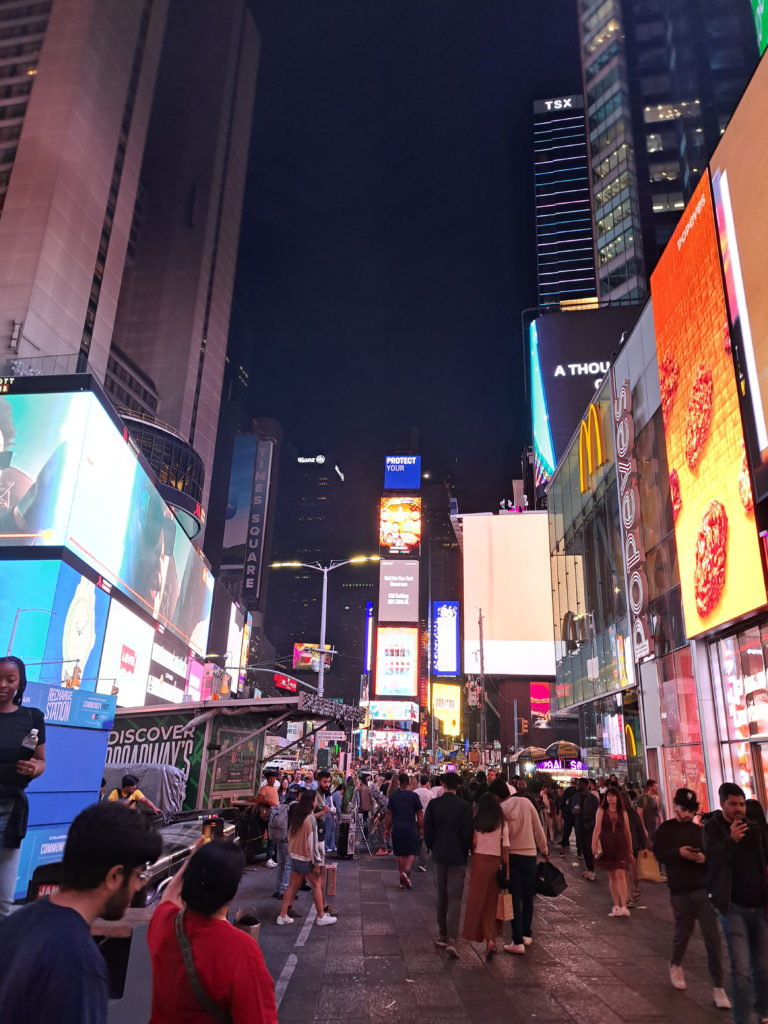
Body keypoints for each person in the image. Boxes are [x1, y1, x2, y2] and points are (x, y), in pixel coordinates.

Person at [0, 801, 162, 1023]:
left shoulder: (14, 924)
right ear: (114, 877)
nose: (137, 887)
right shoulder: (80, 965)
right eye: (138, 876)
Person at [148, 839, 277, 1023]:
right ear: (232, 890)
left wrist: (191, 863)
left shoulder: (165, 922)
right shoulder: (240, 949)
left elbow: (169, 897)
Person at [652, 787, 730, 1010]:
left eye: (690, 811)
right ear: (675, 806)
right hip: (679, 890)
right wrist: (679, 853)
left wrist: (702, 858)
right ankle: (676, 964)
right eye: (683, 809)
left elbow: (712, 858)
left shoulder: (700, 831)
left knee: (712, 938)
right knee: (683, 932)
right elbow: (659, 854)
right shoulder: (666, 829)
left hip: (701, 890)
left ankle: (718, 986)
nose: (686, 814)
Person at [703, 782, 768, 1024]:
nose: (738, 809)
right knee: (741, 970)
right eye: (733, 804)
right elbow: (712, 860)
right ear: (722, 805)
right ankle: (743, 1019)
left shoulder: (756, 829)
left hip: (760, 906)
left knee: (762, 968)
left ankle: (763, 1011)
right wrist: (730, 839)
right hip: (733, 907)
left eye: (741, 804)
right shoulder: (712, 828)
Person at [0, 655, 46, 917]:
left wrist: (34, 769)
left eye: (10, 679)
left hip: (10, 809)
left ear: (20, 683)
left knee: (3, 899)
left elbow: (40, 761)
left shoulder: (32, 719)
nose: (3, 684)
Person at [491, 778, 548, 955]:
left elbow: (499, 835)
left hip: (512, 856)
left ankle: (516, 940)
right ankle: (526, 934)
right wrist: (544, 849)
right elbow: (538, 828)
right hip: (530, 854)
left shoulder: (502, 809)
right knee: (528, 896)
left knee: (515, 897)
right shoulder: (526, 803)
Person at [423, 771, 473, 957]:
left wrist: (432, 846)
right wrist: (464, 849)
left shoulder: (435, 805)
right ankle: (452, 938)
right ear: (458, 785)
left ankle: (443, 935)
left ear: (443, 784)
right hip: (457, 856)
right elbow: (468, 833)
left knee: (441, 895)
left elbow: (427, 829)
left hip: (440, 854)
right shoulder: (464, 807)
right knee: (455, 898)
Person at [277, 790, 336, 926]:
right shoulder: (310, 819)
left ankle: (283, 915)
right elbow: (312, 842)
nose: (316, 802)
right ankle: (321, 916)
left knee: (292, 886)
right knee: (316, 884)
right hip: (306, 858)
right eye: (315, 800)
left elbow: (290, 836)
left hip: (294, 856)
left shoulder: (298, 816)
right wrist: (316, 862)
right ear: (312, 802)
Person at [462, 792, 509, 959]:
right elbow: (505, 849)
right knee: (492, 903)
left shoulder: (477, 823)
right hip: (495, 864)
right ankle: (491, 939)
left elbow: (472, 845)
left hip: (479, 863)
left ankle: (477, 932)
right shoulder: (501, 824)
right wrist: (507, 871)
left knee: (477, 902)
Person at [593, 786, 633, 917]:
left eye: (613, 795)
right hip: (607, 845)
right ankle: (616, 904)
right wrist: (593, 844)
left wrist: (630, 849)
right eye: (608, 796)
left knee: (621, 873)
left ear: (617, 797)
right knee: (612, 875)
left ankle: (624, 905)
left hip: (620, 845)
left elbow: (627, 832)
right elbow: (597, 828)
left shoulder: (623, 812)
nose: (610, 798)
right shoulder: (601, 811)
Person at [384, 772, 424, 889]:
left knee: (400, 853)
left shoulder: (393, 796)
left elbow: (389, 815)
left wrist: (387, 829)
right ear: (408, 783)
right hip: (410, 826)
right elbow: (420, 814)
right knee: (413, 850)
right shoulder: (414, 796)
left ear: (398, 783)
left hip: (397, 827)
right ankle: (406, 871)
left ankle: (402, 878)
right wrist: (421, 828)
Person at [572, 777, 599, 881]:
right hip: (579, 826)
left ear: (585, 785)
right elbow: (572, 809)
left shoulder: (592, 798)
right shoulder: (575, 797)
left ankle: (591, 870)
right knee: (583, 848)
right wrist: (574, 811)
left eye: (579, 784)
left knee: (589, 848)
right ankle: (589, 869)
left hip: (590, 826)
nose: (578, 786)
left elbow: (597, 812)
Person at [413, 774, 434, 872]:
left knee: (416, 838)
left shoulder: (415, 792)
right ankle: (422, 862)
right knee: (424, 839)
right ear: (428, 783)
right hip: (426, 818)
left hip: (415, 818)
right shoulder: (430, 794)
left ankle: (413, 857)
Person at [558, 779, 578, 855]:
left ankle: (562, 848)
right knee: (578, 832)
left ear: (570, 783)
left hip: (568, 814)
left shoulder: (566, 791)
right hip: (576, 814)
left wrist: (561, 813)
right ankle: (579, 851)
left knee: (566, 831)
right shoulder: (578, 791)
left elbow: (562, 802)